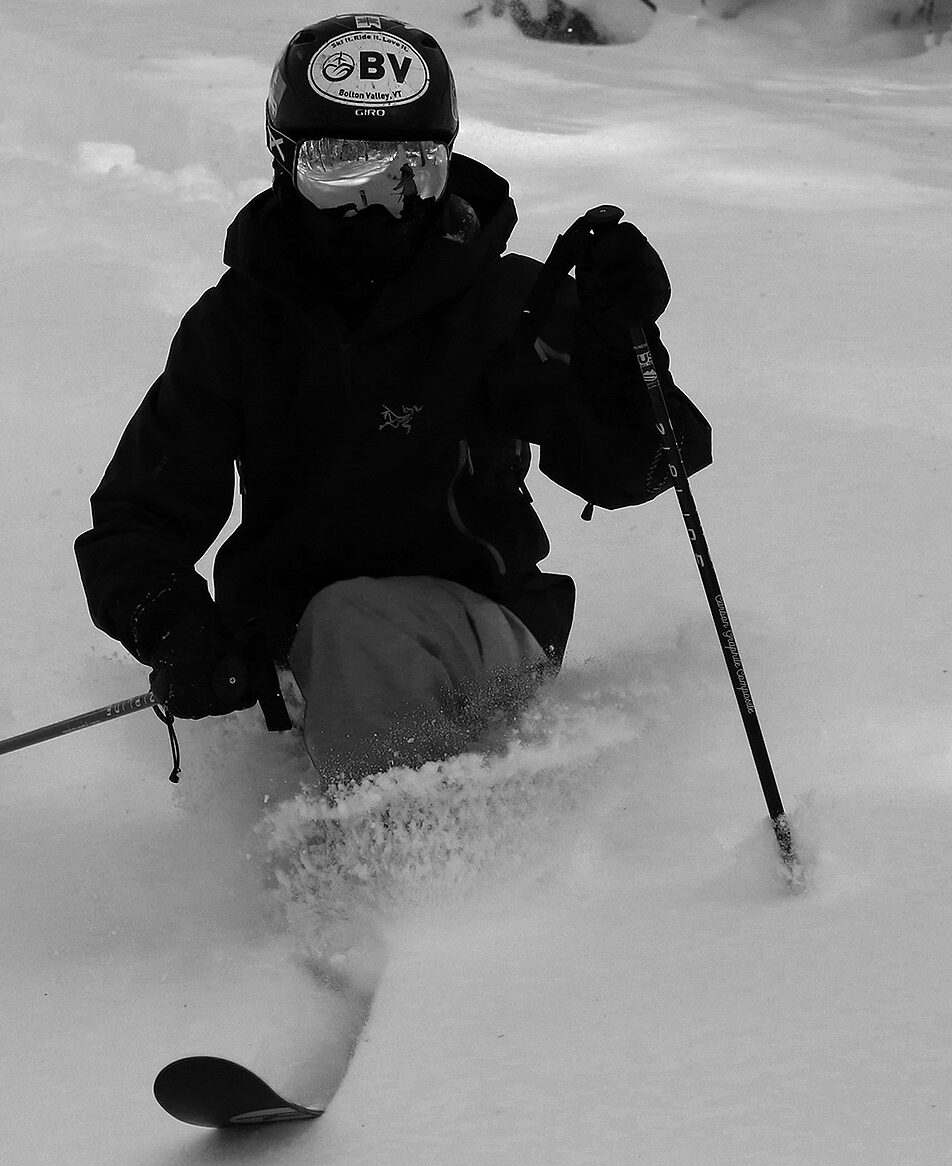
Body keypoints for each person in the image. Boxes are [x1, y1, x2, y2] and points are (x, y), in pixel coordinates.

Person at [74, 13, 710, 785]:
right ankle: (330, 838)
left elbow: (639, 468)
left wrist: (620, 348)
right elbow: (136, 522)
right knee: (336, 634)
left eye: (413, 171)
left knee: (354, 626)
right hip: (300, 657)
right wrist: (180, 630)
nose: (380, 206)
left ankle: (397, 883)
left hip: (482, 638)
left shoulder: (503, 304)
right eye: (341, 169)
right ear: (284, 163)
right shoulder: (241, 326)